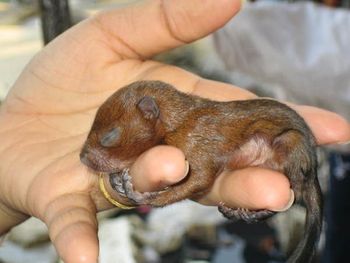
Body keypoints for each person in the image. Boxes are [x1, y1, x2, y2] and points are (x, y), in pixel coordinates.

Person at [0, 1, 349, 262]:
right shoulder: (175, 130)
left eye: (107, 139)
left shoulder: (194, 129)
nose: (89, 154)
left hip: (284, 143)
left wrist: (156, 197)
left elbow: (199, 176)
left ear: (151, 114)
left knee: (298, 198)